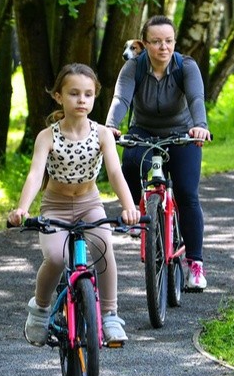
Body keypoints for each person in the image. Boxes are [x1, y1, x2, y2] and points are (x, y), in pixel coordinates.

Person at [8, 63, 141, 347]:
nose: (82, 100)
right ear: (58, 96)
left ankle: (109, 315)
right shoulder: (48, 136)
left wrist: (129, 207)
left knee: (104, 250)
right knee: (55, 258)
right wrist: (22, 209)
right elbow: (35, 174)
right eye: (74, 93)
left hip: (89, 204)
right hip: (55, 207)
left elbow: (115, 174)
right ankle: (40, 310)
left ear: (94, 98)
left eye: (88, 94)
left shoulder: (103, 134)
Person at [105, 15, 211, 291]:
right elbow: (121, 99)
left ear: (174, 42)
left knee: (187, 193)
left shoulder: (186, 67)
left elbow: (196, 99)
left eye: (168, 41)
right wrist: (110, 126)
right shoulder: (133, 67)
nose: (163, 47)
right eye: (155, 41)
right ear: (144, 43)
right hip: (143, 131)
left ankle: (195, 264)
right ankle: (133, 212)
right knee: (128, 163)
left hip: (182, 133)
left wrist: (200, 126)